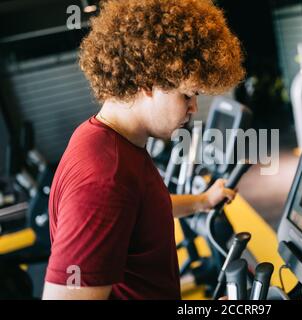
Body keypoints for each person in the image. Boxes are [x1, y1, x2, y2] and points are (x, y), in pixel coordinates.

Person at [42, 0, 245, 300]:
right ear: (148, 81)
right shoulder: (102, 180)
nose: (193, 108)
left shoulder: (112, 141)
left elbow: (141, 208)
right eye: (187, 95)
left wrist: (203, 201)